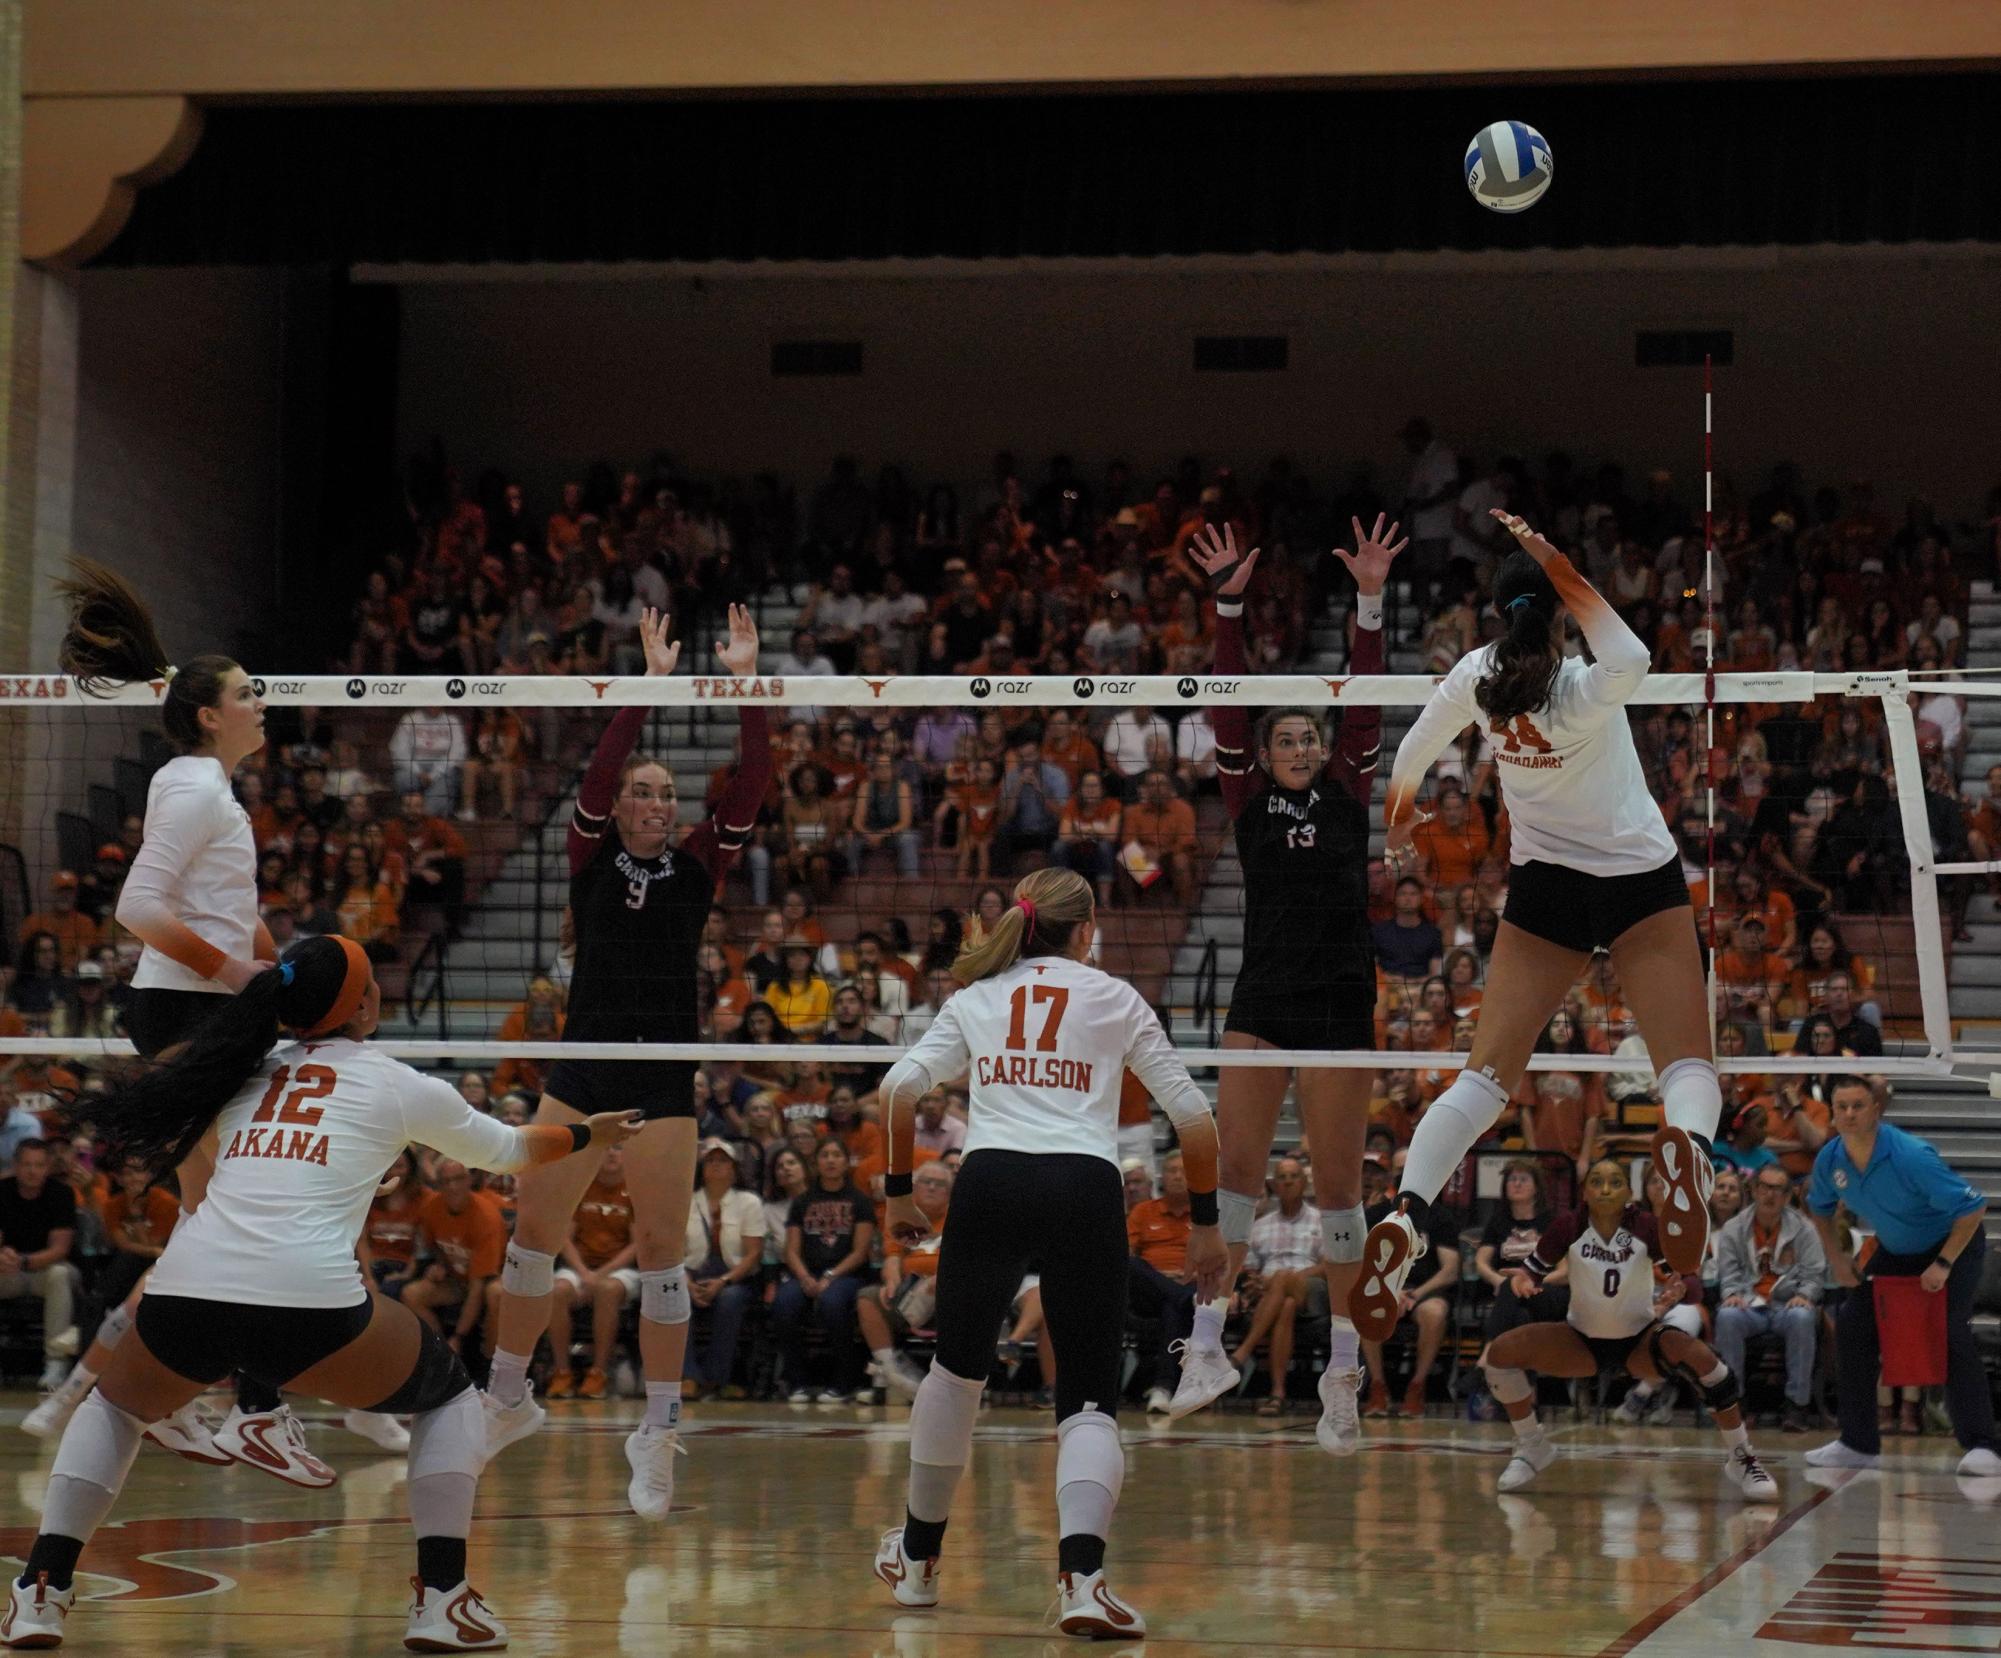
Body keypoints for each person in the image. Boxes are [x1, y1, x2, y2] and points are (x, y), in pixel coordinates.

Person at [4, 934, 640, 1649]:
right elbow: (511, 1151)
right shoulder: (397, 1082)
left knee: (115, 1408)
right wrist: (589, 1133)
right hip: (304, 1299)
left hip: (190, 1285)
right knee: (453, 1398)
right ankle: (441, 1598)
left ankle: (40, 1589)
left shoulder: (240, 1069)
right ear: (364, 1006)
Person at [1358, 512, 1722, 1341]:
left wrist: (1399, 824)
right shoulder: (1581, 683)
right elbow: (1630, 653)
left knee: (1482, 1081)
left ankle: (1408, 1212)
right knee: (1686, 1067)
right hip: (1636, 882)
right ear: (1558, 610)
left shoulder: (1476, 678)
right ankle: (1688, 1157)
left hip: (1544, 891)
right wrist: (1556, 561)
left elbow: (1409, 756)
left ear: (1494, 617)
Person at [870, 868, 1227, 1639]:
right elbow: (1194, 1116)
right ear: (1086, 927)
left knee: (957, 1371)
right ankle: (1082, 1582)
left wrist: (899, 1192)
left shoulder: (978, 997)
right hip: (1083, 1186)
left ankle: (918, 1562)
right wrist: (1204, 1224)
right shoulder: (1115, 997)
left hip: (991, 1180)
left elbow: (898, 1090)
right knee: (1089, 1396)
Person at [54, 559, 351, 1481]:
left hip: (203, 1005)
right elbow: (138, 908)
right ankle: (240, 1408)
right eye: (246, 694)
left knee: (216, 1216)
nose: (261, 703)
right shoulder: (191, 788)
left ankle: (165, 1401)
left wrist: (269, 961)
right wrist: (238, 975)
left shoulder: (208, 788)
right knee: (236, 1212)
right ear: (210, 714)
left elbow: (221, 902)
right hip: (187, 1007)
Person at [481, 604, 768, 1525]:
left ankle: (656, 1429)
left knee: (659, 1257)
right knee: (530, 1243)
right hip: (581, 1066)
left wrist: (746, 679)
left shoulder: (698, 868)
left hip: (659, 1077)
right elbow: (599, 769)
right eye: (644, 792)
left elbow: (755, 777)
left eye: (664, 796)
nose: (654, 802)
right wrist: (647, 686)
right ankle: (506, 1397)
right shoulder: (586, 856)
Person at [1171, 516, 1400, 1456]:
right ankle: (1203, 1346)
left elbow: (1368, 704)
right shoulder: (1245, 800)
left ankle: (1340, 1372)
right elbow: (1226, 706)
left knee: (1342, 1190)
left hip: (1341, 996)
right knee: (1232, 1174)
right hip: (1262, 997)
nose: (1303, 745)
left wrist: (1371, 603)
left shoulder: (1348, 788)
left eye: (1312, 734)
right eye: (1287, 738)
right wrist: (1226, 604)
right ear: (1262, 756)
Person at [1480, 1159, 1777, 1501]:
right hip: (1581, 1340)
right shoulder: (1567, 1225)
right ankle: (1532, 1445)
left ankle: (1741, 1457)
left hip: (1639, 1340)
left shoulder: (1648, 1226)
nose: (1605, 1189)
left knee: (1708, 1363)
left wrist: (1682, 1285)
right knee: (1500, 1354)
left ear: (1629, 1192)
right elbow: (1531, 1271)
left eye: (1615, 1182)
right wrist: (1521, 1283)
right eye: (1597, 1181)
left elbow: (1693, 1287)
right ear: (1585, 1192)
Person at [1804, 1077, 2001, 1478]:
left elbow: (1972, 1210)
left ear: (1875, 1109)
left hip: (1953, 1245)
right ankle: (1857, 1443)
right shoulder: (1830, 1159)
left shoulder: (1911, 1156)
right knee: (1854, 1325)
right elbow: (1819, 1209)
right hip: (1896, 1249)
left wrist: (1943, 1264)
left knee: (1948, 1331)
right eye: (1841, 1107)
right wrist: (1838, 1260)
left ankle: (1984, 1445)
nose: (1849, 1114)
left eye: (1858, 1106)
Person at [1713, 1165, 1826, 1434]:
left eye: (1777, 1189)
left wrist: (1804, 1295)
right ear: (1753, 1191)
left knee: (1802, 1317)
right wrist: (1731, 1295)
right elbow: (1728, 1273)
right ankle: (1735, 1402)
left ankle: (1796, 1405)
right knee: (1727, 1316)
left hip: (1787, 1305)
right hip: (1750, 1305)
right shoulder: (1734, 1228)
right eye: (1764, 1187)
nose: (1770, 1195)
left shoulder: (1804, 1229)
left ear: (1788, 1196)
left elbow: (1815, 1274)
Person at [774, 1137, 875, 1402]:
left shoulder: (859, 1201)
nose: (830, 1160)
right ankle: (797, 1381)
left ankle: (844, 1381)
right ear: (816, 1163)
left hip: (847, 1275)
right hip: (808, 1273)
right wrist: (805, 1277)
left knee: (832, 1303)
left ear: (846, 1161)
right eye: (824, 1155)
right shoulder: (803, 1201)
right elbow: (791, 1250)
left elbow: (860, 1251)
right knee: (784, 1302)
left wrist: (831, 1276)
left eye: (836, 1155)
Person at [1233, 1157, 1328, 1416]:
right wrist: (1266, 1282)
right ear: (1274, 1185)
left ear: (1305, 1182)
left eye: (1293, 1176)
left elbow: (1329, 1265)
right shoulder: (1260, 1226)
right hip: (1271, 1294)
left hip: (1312, 1289)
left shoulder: (1321, 1220)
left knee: (1284, 1278)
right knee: (1285, 1304)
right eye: (1282, 1177)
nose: (1287, 1182)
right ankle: (1277, 1393)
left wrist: (1289, 1278)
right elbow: (1251, 1270)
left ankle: (1243, 1352)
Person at [545, 1147, 638, 1401]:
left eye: (619, 1149)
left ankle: (598, 1372)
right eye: (606, 1148)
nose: (611, 1154)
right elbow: (565, 1237)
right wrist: (585, 1273)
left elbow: (637, 1244)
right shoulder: (581, 1187)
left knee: (607, 1290)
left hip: (621, 1270)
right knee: (557, 1291)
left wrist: (600, 1275)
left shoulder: (636, 1190)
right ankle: (562, 1371)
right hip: (581, 1266)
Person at [858, 1159, 953, 1398]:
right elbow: (892, 1257)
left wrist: (938, 1280)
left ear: (950, 1191)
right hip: (908, 1292)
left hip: (949, 1294)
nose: (932, 1188)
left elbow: (969, 1262)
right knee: (868, 1298)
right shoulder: (903, 1216)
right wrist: (892, 1283)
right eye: (926, 1182)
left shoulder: (960, 1218)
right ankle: (892, 1371)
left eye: (939, 1184)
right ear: (915, 1187)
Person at [683, 1138, 766, 1399]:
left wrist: (724, 1280)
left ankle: (715, 1377)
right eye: (710, 1160)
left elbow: (753, 1254)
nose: (716, 1166)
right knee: (674, 1295)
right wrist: (685, 1280)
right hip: (692, 1270)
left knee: (729, 1300)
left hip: (735, 1276)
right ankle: (687, 1375)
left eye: (723, 1161)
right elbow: (673, 1250)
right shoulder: (686, 1200)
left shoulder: (748, 1202)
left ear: (734, 1168)